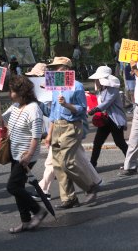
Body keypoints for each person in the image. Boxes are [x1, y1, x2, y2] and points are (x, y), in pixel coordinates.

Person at [0, 75, 47, 234]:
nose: (10, 94)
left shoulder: (33, 109)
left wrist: (29, 155)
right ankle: (26, 222)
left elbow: (36, 136)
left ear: (21, 92)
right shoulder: (16, 105)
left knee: (12, 186)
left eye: (12, 91)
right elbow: (1, 123)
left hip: (26, 155)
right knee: (18, 187)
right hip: (15, 153)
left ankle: (38, 211)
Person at [45, 56, 100, 209]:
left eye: (58, 67)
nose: (55, 70)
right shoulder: (56, 84)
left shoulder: (77, 86)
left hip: (71, 126)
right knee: (57, 164)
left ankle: (90, 186)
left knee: (66, 162)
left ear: (67, 69)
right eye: (54, 68)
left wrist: (67, 105)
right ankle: (69, 198)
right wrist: (49, 133)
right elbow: (54, 111)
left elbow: (83, 109)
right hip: (57, 126)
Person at [87, 66, 128, 168]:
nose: (97, 81)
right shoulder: (102, 88)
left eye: (99, 79)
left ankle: (130, 161)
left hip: (115, 119)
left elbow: (106, 103)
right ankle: (92, 165)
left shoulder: (113, 89)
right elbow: (100, 99)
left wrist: (94, 110)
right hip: (105, 120)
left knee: (120, 142)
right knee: (97, 142)